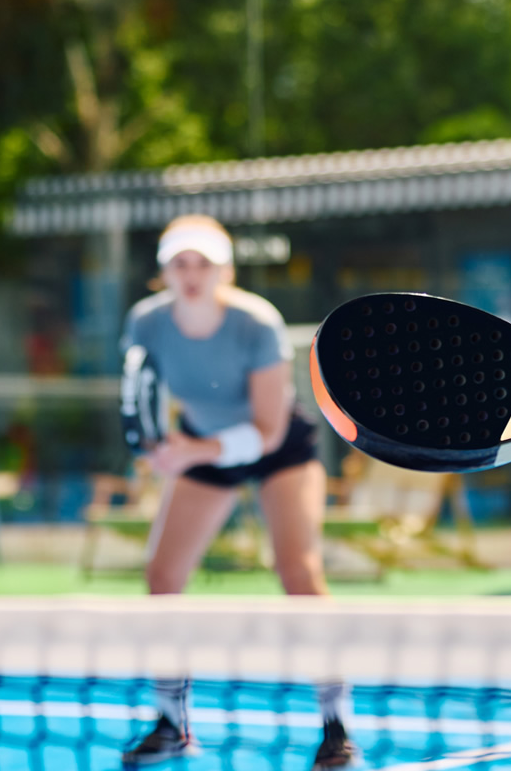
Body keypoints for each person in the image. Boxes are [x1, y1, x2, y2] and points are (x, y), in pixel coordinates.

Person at [117, 215, 357, 769]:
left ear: (225, 270)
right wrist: (159, 447)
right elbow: (142, 398)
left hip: (280, 448)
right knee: (161, 578)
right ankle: (173, 723)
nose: (192, 274)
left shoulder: (256, 323)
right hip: (203, 445)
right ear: (163, 273)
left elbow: (266, 431)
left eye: (204, 263)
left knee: (298, 573)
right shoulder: (145, 323)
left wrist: (190, 451)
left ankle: (336, 724)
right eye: (180, 264)